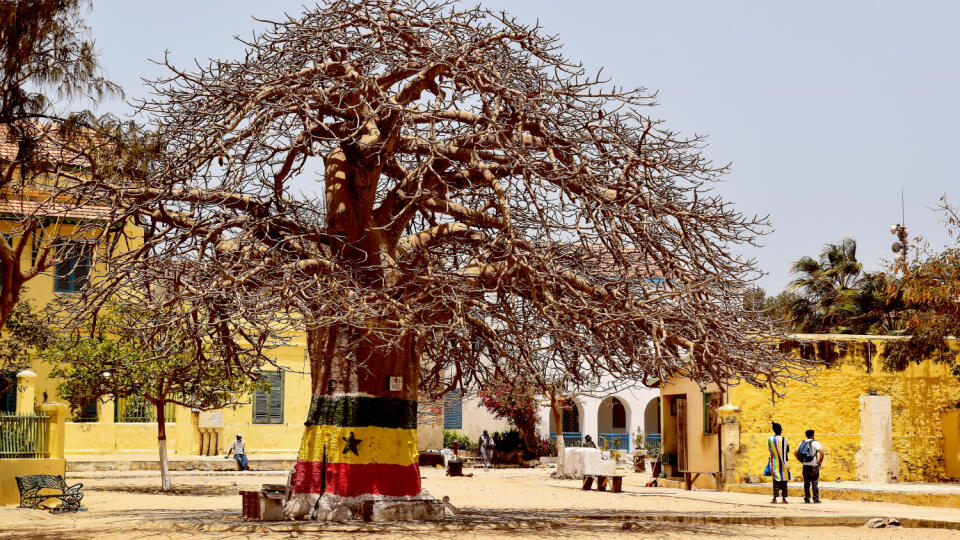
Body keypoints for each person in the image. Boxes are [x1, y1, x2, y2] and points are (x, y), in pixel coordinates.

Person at [795, 429, 824, 504]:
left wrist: (801, 461)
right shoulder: (815, 443)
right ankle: (815, 499)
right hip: (814, 465)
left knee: (806, 483)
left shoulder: (802, 442)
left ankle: (807, 499)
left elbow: (795, 453)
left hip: (805, 466)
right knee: (814, 482)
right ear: (813, 435)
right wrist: (820, 461)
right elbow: (822, 453)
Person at [768, 422, 790, 503]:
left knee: (775, 481)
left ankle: (774, 499)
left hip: (774, 463)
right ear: (781, 430)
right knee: (784, 481)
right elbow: (787, 450)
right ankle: (784, 499)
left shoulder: (770, 439)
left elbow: (770, 450)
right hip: (784, 463)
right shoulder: (784, 439)